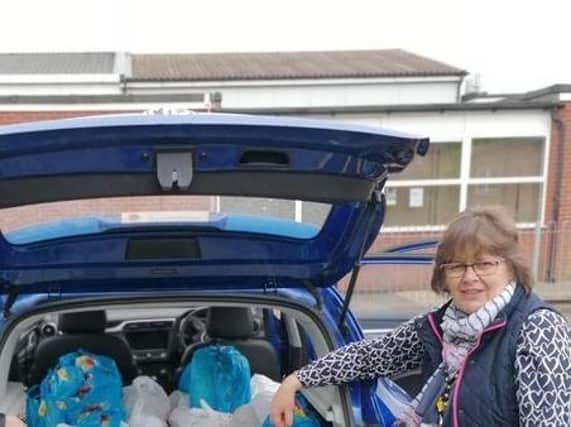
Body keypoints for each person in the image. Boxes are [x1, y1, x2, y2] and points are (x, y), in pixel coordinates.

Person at [270, 206, 570, 427]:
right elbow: (372, 356)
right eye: (456, 266)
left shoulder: (538, 329)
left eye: (484, 264)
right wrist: (296, 380)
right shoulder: (443, 325)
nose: (469, 277)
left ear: (511, 266)